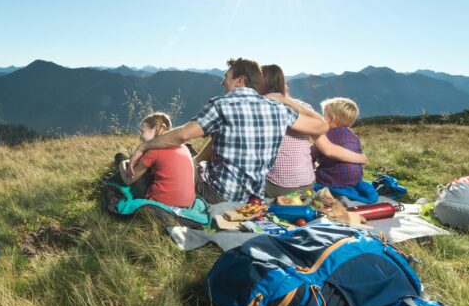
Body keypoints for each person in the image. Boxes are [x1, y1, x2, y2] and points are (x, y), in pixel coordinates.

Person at [128, 58, 328, 203]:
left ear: (239, 80)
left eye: (226, 77)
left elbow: (181, 135)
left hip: (217, 194)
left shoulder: (220, 105)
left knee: (170, 156)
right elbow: (321, 126)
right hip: (254, 198)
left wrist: (145, 145)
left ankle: (135, 179)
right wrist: (287, 101)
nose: (222, 81)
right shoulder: (280, 110)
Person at [258, 65, 368, 199]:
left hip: (280, 188)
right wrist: (361, 158)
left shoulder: (259, 107)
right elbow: (329, 149)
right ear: (282, 83)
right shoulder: (305, 107)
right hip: (307, 185)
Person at [116, 112, 196, 207]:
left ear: (156, 129)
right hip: (188, 203)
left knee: (125, 165)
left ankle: (119, 159)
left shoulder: (153, 152)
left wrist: (121, 164)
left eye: (142, 131)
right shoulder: (184, 147)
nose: (140, 136)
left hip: (160, 203)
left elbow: (128, 180)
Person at [311, 97, 379, 203]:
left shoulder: (325, 136)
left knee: (311, 178)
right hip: (355, 181)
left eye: (323, 114)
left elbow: (311, 156)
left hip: (331, 182)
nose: (322, 117)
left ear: (332, 118)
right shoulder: (354, 137)